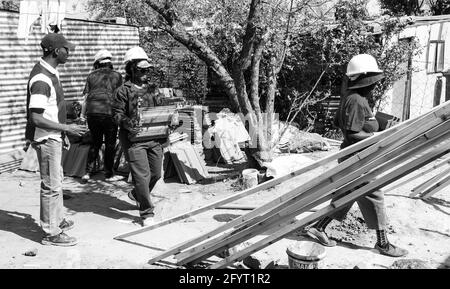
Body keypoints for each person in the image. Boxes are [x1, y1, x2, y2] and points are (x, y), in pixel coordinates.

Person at [303, 54, 408, 257]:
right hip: (357, 159)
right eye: (373, 82)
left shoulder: (352, 99)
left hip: (355, 157)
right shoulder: (356, 101)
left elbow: (340, 123)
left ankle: (318, 227)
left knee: (346, 195)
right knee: (374, 196)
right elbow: (352, 133)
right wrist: (377, 136)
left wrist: (374, 124)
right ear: (365, 79)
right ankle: (383, 244)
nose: (375, 86)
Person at [25, 33, 87, 246]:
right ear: (55, 51)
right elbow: (36, 117)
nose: (68, 53)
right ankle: (51, 233)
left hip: (53, 136)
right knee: (51, 185)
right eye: (66, 49)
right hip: (46, 139)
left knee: (56, 183)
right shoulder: (42, 79)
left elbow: (50, 110)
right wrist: (66, 128)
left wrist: (62, 131)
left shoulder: (50, 73)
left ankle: (57, 219)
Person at [112, 47, 164, 226]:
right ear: (131, 69)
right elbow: (117, 114)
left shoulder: (152, 89)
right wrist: (127, 123)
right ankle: (146, 213)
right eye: (142, 70)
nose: (145, 73)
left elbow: (160, 109)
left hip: (154, 138)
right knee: (142, 177)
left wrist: (170, 119)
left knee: (156, 174)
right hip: (134, 141)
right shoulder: (122, 91)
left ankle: (137, 194)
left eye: (147, 69)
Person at [81, 49, 123, 181]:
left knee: (95, 142)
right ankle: (109, 174)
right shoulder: (117, 76)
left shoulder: (91, 76)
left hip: (92, 113)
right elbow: (121, 96)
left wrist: (82, 115)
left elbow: (86, 97)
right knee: (110, 144)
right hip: (109, 113)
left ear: (98, 63)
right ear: (110, 63)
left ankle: (87, 172)